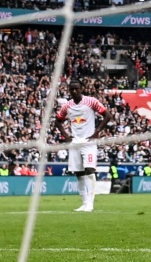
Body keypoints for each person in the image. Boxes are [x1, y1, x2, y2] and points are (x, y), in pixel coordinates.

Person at [54, 79, 112, 212]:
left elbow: (107, 116)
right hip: (75, 143)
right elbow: (58, 121)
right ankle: (84, 202)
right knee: (79, 173)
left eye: (77, 89)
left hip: (89, 142)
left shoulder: (91, 101)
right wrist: (66, 136)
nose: (74, 91)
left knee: (89, 170)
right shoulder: (67, 106)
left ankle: (91, 203)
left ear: (82, 89)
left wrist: (97, 132)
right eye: (72, 89)